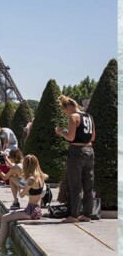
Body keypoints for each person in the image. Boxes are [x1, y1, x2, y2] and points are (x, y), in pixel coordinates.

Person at [54, 95, 96, 223]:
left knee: (75, 185)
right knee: (88, 185)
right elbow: (93, 137)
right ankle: (87, 214)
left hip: (77, 152)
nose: (65, 113)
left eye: (64, 110)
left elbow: (71, 137)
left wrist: (61, 132)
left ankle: (74, 215)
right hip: (90, 151)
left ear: (69, 107)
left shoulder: (74, 117)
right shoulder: (89, 116)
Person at [0, 155, 47, 248]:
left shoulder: (31, 179)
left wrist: (20, 185)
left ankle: (1, 245)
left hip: (31, 211)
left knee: (4, 218)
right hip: (37, 209)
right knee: (10, 214)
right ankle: (2, 243)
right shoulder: (41, 176)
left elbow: (21, 194)